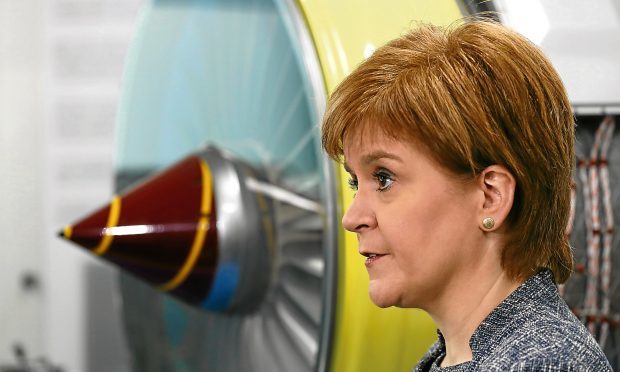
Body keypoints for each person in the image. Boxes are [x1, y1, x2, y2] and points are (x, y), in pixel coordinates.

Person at [321, 20, 612, 371]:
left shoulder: (544, 363)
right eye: (356, 182)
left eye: (383, 179)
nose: (351, 219)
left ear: (491, 197)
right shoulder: (464, 357)